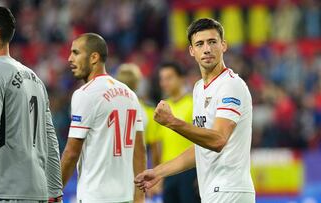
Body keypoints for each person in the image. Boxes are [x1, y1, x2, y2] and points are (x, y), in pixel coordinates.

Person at [135, 18, 255, 203]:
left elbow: (218, 140)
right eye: (200, 44)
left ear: (223, 45)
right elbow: (201, 150)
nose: (207, 49)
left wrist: (172, 122)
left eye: (212, 42)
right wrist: (159, 172)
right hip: (212, 191)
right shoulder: (199, 88)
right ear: (192, 51)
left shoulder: (230, 85)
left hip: (230, 190)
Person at [0, 4, 63, 203]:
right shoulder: (35, 78)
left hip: (10, 191)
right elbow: (51, 141)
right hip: (40, 191)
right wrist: (55, 192)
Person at [61, 33, 146, 203]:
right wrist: (139, 197)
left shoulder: (85, 94)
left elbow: (72, 152)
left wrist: (53, 191)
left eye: (76, 53)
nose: (70, 58)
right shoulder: (130, 95)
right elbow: (140, 150)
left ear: (94, 57)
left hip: (95, 196)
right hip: (125, 196)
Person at [152, 62, 199, 203]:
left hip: (190, 171)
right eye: (162, 79)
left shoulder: (194, 103)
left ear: (181, 78)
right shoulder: (161, 107)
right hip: (168, 172)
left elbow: (203, 140)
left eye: (169, 78)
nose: (164, 82)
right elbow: (158, 145)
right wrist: (158, 174)